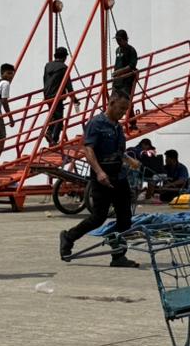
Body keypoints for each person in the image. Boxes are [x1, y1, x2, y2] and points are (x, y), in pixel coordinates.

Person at [59, 91, 140, 267]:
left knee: (125, 218)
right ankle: (68, 236)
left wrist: (129, 159)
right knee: (98, 217)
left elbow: (118, 151)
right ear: (111, 103)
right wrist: (99, 172)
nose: (123, 112)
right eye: (121, 108)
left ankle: (118, 255)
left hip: (119, 176)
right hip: (102, 176)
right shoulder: (96, 124)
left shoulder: (117, 127)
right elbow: (88, 149)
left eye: (126, 109)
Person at [42, 47, 78, 145]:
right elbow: (68, 85)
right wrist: (74, 99)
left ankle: (50, 133)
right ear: (64, 57)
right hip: (56, 95)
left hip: (47, 94)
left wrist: (45, 94)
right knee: (59, 118)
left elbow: (45, 79)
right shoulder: (63, 68)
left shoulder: (47, 65)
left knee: (54, 115)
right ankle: (54, 139)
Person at [111, 28, 138, 108]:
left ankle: (131, 119)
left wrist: (119, 72)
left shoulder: (131, 50)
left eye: (119, 40)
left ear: (124, 39)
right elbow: (117, 64)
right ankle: (114, 120)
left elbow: (132, 65)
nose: (118, 42)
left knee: (124, 101)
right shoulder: (117, 50)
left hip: (127, 81)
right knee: (113, 101)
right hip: (117, 81)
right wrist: (115, 74)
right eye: (117, 40)